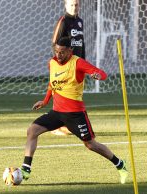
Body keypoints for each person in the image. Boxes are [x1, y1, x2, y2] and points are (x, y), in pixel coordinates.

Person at [17, 37, 128, 184]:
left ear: (70, 50)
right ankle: (26, 168)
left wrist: (97, 76)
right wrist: (45, 101)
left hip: (75, 115)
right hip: (57, 113)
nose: (58, 55)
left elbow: (101, 73)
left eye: (62, 52)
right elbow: (52, 84)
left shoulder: (78, 62)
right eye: (56, 51)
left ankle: (120, 164)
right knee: (32, 130)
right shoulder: (52, 63)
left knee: (90, 145)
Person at [52, 0, 85, 135]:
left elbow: (81, 43)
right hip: (65, 65)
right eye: (71, 5)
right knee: (61, 94)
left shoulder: (80, 21)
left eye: (76, 5)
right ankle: (55, 126)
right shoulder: (63, 21)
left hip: (77, 65)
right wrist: (60, 63)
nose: (74, 7)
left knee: (74, 95)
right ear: (66, 6)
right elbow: (55, 43)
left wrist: (84, 62)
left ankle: (66, 125)